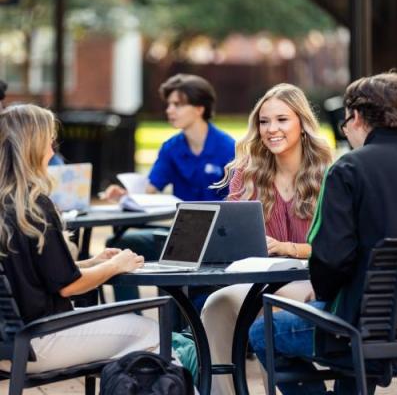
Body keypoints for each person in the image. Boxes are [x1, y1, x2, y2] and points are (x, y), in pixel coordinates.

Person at [249, 71, 397, 394]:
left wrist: (322, 292)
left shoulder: (350, 170)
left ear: (357, 117)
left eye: (346, 121)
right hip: (389, 327)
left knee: (263, 333)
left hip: (360, 328)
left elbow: (331, 257)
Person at [0, 104, 160, 373]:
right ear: (32, 147)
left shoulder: (10, 204)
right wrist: (115, 265)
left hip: (9, 342)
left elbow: (38, 274)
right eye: (48, 141)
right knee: (153, 331)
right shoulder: (33, 206)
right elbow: (68, 287)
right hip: (39, 340)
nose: (53, 150)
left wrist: (92, 262)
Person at [201, 83, 332, 395]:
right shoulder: (247, 173)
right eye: (264, 121)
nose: (271, 129)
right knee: (216, 305)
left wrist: (288, 248)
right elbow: (230, 236)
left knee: (265, 306)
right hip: (260, 278)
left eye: (282, 120)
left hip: (315, 279)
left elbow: (337, 246)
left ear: (302, 123)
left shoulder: (331, 173)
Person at [104, 74, 235, 303]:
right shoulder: (171, 148)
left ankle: (182, 324)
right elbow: (150, 189)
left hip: (219, 236)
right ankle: (130, 314)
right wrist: (125, 195)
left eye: (178, 104)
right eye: (169, 104)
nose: (169, 110)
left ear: (199, 108)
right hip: (181, 234)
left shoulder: (227, 147)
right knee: (118, 246)